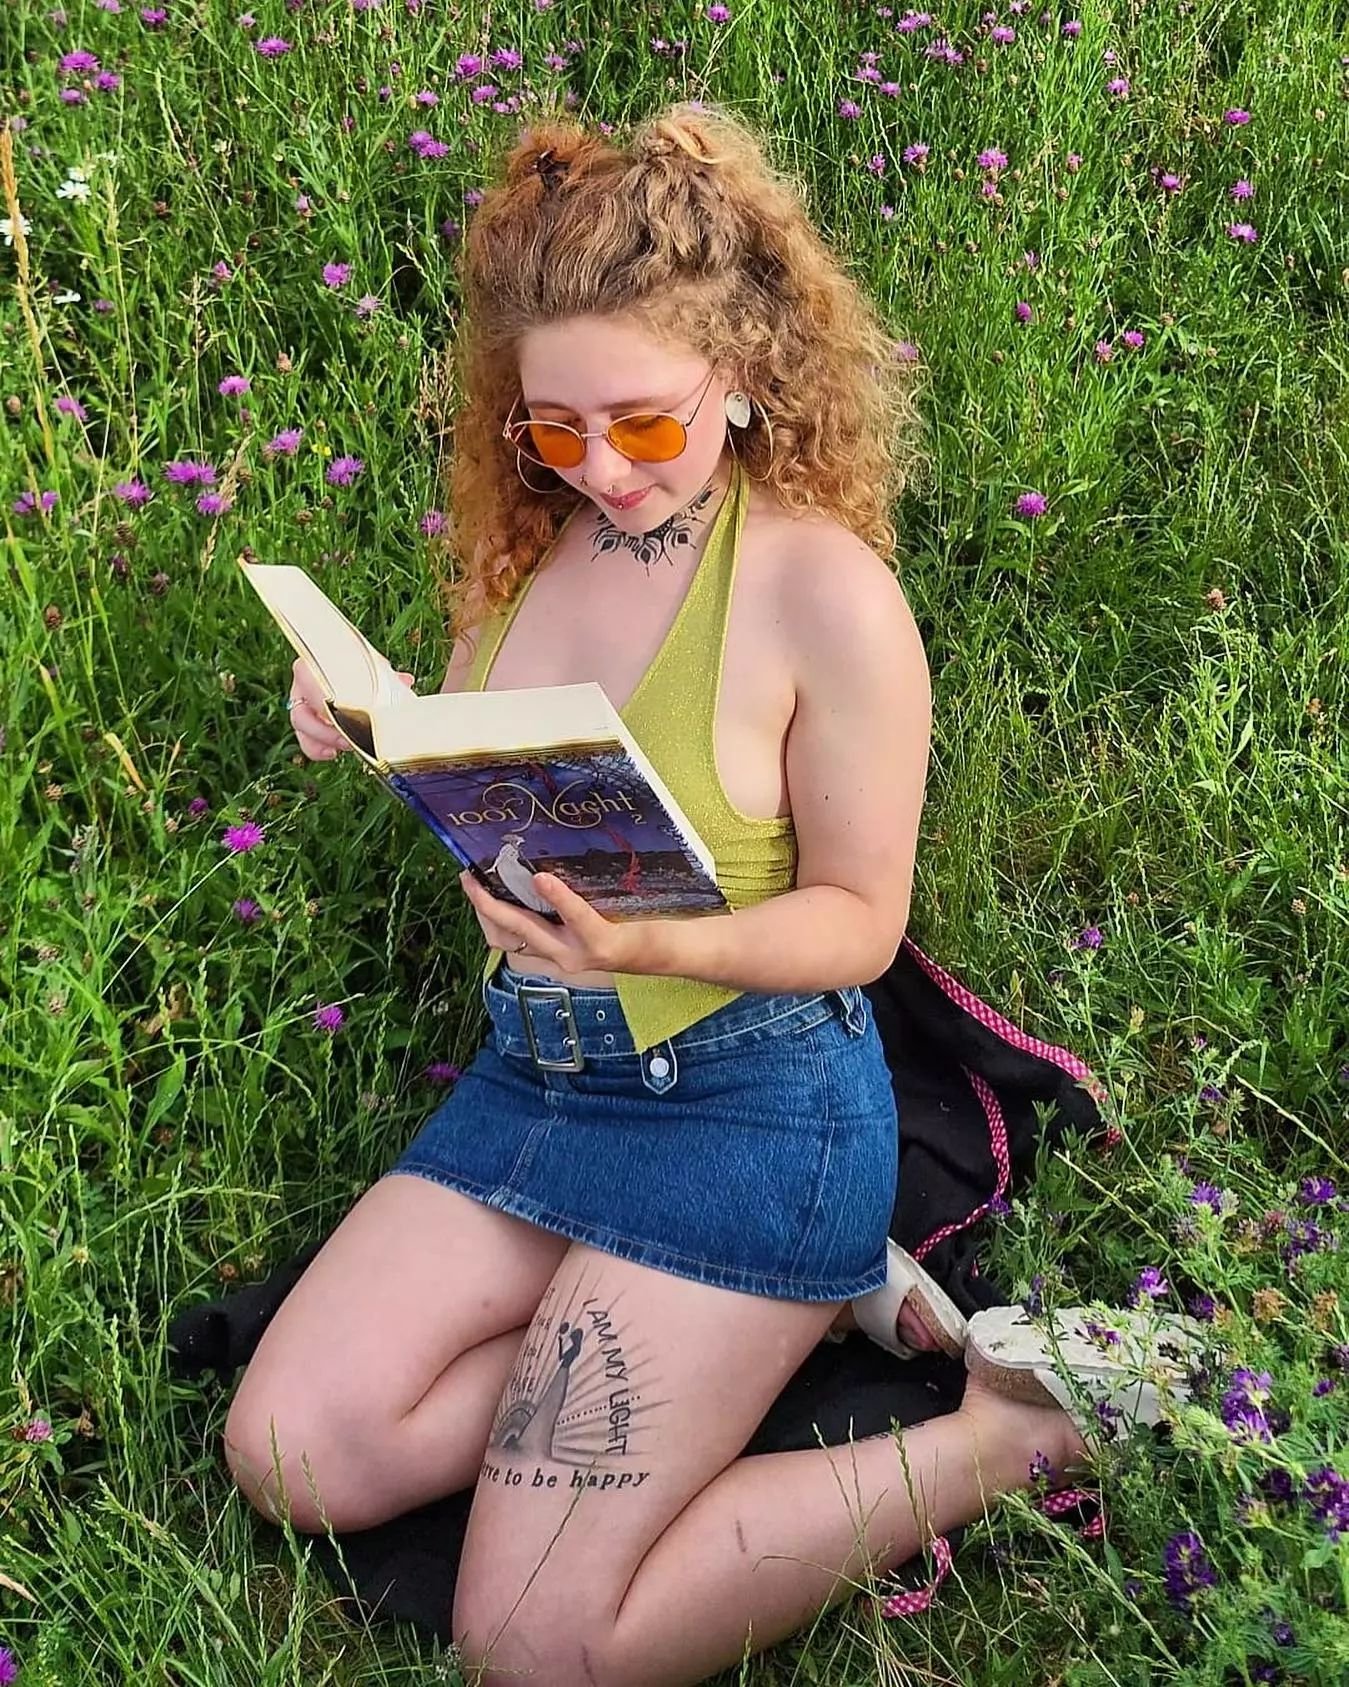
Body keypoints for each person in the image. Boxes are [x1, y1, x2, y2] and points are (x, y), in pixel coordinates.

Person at [222, 103, 1200, 1687]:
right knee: (292, 1455)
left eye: (643, 423)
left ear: (742, 373)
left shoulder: (823, 593)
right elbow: (514, 806)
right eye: (554, 430)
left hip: (744, 1109)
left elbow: (857, 923)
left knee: (534, 1642)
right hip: (538, 1082)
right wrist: (381, 720)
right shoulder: (523, 556)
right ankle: (765, 1327)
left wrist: (649, 942)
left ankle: (1008, 1438)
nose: (599, 469)